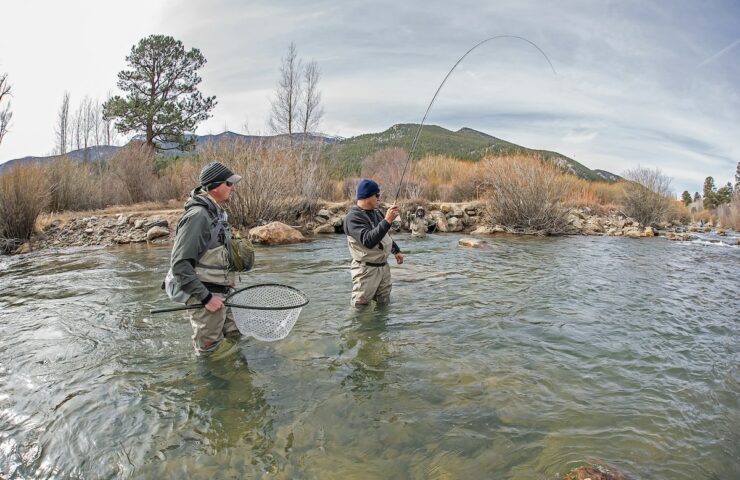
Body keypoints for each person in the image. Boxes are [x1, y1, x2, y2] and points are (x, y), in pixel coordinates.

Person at [170, 162, 245, 356]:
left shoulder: (217, 213)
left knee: (235, 337)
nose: (233, 188)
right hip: (207, 297)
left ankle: (238, 382)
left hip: (224, 294)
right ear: (215, 186)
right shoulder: (198, 216)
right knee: (209, 353)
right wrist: (206, 298)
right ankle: (210, 385)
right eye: (229, 183)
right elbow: (180, 265)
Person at [343, 179, 404, 308]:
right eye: (377, 195)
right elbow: (368, 241)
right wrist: (387, 220)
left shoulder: (376, 213)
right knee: (360, 309)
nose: (379, 198)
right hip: (366, 271)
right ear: (367, 196)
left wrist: (396, 251)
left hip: (383, 268)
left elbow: (384, 235)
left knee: (383, 304)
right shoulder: (353, 218)